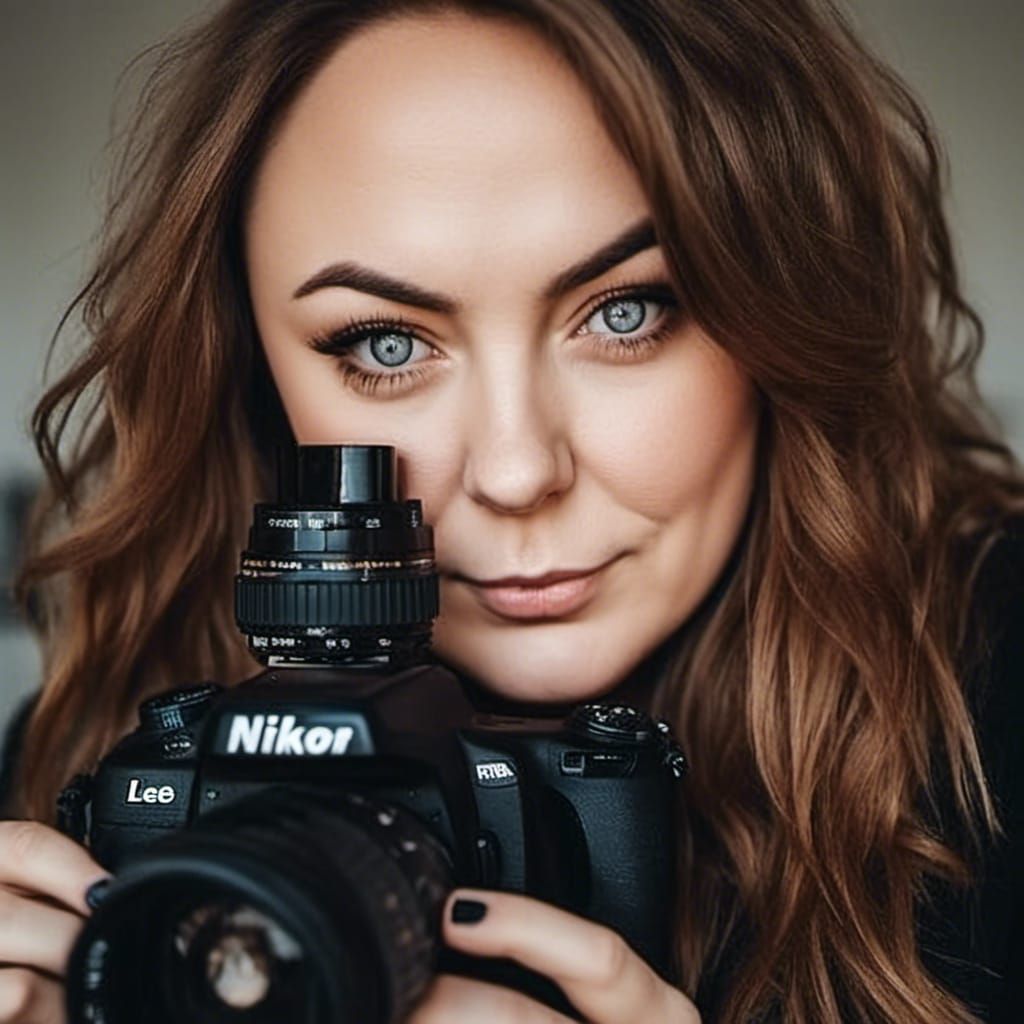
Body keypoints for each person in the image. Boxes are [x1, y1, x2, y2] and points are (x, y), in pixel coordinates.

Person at [0, 0, 1021, 1021]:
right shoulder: (79, 750)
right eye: (385, 345)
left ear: (780, 303)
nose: (518, 469)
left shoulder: (999, 693)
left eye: (625, 312)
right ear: (252, 369)